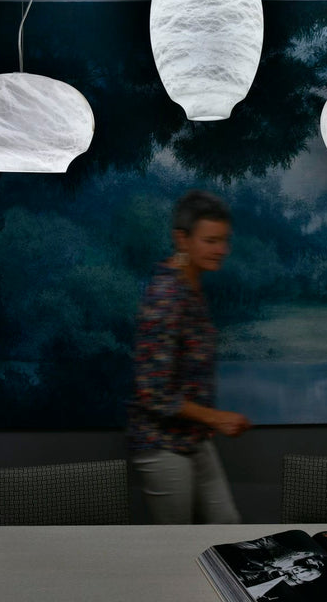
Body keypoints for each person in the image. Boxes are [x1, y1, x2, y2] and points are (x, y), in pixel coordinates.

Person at [127, 189, 251, 523]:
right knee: (177, 542)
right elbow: (153, 392)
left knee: (227, 528)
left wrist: (205, 420)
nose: (221, 250)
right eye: (211, 241)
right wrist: (216, 418)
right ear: (182, 239)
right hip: (162, 444)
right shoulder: (166, 296)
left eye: (224, 240)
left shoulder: (191, 285)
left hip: (192, 437)